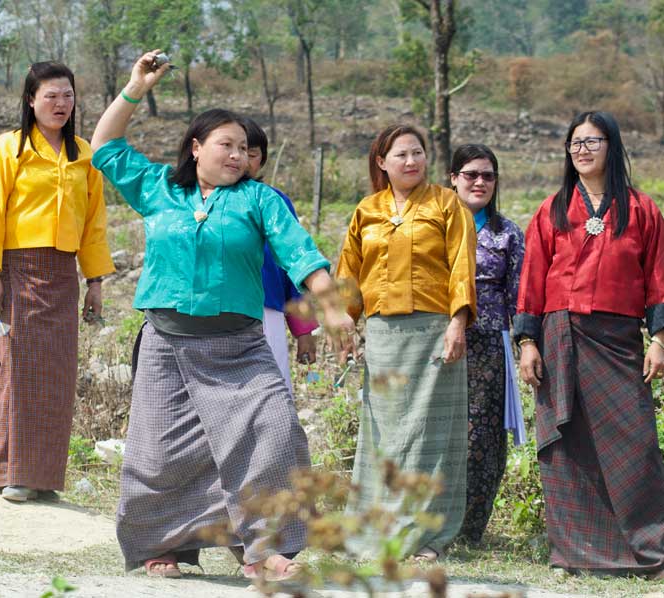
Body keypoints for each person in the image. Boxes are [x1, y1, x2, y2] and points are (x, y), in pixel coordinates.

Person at [90, 51, 355, 580]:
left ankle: (266, 550)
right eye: (225, 145)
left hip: (239, 346)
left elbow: (300, 252)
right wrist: (135, 87)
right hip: (168, 343)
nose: (237, 155)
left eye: (244, 148)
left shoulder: (260, 200)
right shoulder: (159, 188)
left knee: (276, 433)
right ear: (196, 148)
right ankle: (163, 545)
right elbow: (104, 148)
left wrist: (331, 304)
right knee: (160, 453)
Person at [515, 110, 664, 579]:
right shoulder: (553, 208)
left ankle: (650, 550)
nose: (581, 150)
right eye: (574, 142)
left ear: (612, 146)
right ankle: (573, 554)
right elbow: (532, 281)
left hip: (619, 342)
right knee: (566, 445)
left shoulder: (642, 209)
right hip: (561, 336)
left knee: (637, 443)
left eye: (592, 141)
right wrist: (527, 342)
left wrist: (658, 340)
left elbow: (659, 280)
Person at [0, 62, 114, 502]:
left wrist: (96, 283)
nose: (61, 104)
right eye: (51, 95)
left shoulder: (85, 155)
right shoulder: (8, 149)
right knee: (18, 370)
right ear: (31, 100)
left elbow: (94, 226)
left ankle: (45, 477)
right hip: (16, 272)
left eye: (67, 95)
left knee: (57, 376)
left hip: (63, 277)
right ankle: (10, 471)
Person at [337, 124, 476, 561]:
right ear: (382, 162)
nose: (412, 161)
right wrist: (344, 324)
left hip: (436, 334)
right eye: (401, 155)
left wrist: (458, 322)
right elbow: (349, 273)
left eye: (418, 153)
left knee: (432, 436)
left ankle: (427, 536)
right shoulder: (367, 210)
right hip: (382, 337)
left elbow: (461, 266)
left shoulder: (447, 203)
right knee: (385, 436)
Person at [449, 144, 525, 545]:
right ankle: (428, 522)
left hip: (487, 346)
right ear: (453, 178)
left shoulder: (507, 233)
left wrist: (527, 344)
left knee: (481, 435)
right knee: (438, 429)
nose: (479, 182)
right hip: (438, 340)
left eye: (488, 175)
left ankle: (468, 529)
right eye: (470, 174)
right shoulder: (433, 226)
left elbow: (519, 298)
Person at [244, 117, 318, 391]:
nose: (241, 159)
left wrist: (304, 330)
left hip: (267, 313)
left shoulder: (274, 202)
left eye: (251, 154)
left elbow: (293, 268)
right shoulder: (198, 202)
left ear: (261, 160)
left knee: (269, 394)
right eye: (232, 149)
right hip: (213, 317)